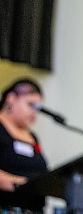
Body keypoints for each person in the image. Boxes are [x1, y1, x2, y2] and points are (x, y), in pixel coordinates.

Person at [0, 78, 48, 213]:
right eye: (30, 105)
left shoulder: (33, 137)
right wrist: (22, 184)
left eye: (38, 109)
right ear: (11, 98)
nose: (34, 113)